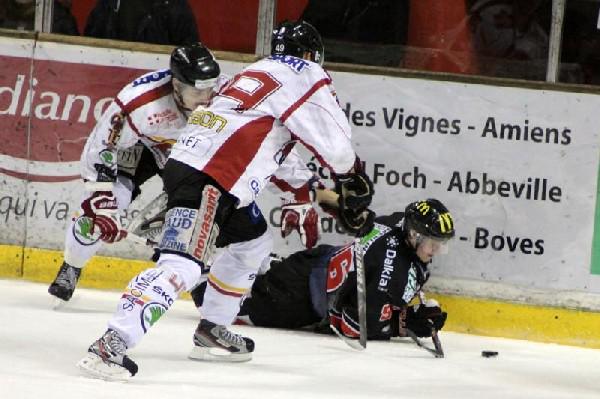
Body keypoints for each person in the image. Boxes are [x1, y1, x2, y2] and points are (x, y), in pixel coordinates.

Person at [77, 20, 375, 380]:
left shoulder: (257, 72)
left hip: (207, 173)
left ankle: (211, 329)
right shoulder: (304, 72)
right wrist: (352, 179)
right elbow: (332, 137)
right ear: (313, 55)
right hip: (209, 180)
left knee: (253, 241)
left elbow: (266, 147)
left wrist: (308, 192)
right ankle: (111, 344)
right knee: (182, 265)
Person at [47, 43, 223, 303]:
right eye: (198, 92)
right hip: (140, 146)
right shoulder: (140, 102)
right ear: (176, 85)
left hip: (182, 152)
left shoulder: (225, 96)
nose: (207, 97)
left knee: (197, 208)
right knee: (104, 207)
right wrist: (102, 202)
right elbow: (103, 146)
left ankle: (195, 273)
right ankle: (72, 264)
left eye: (210, 88)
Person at [194, 198, 454, 341]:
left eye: (441, 244)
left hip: (318, 261)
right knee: (216, 307)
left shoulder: (399, 221)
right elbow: (353, 328)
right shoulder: (393, 273)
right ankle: (188, 265)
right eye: (433, 244)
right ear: (413, 234)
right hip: (298, 297)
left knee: (269, 275)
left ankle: (266, 265)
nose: (436, 251)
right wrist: (406, 323)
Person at [83, 0, 199, 45]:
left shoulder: (175, 7)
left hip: (157, 84)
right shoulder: (109, 4)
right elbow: (88, 43)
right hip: (110, 78)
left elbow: (190, 50)